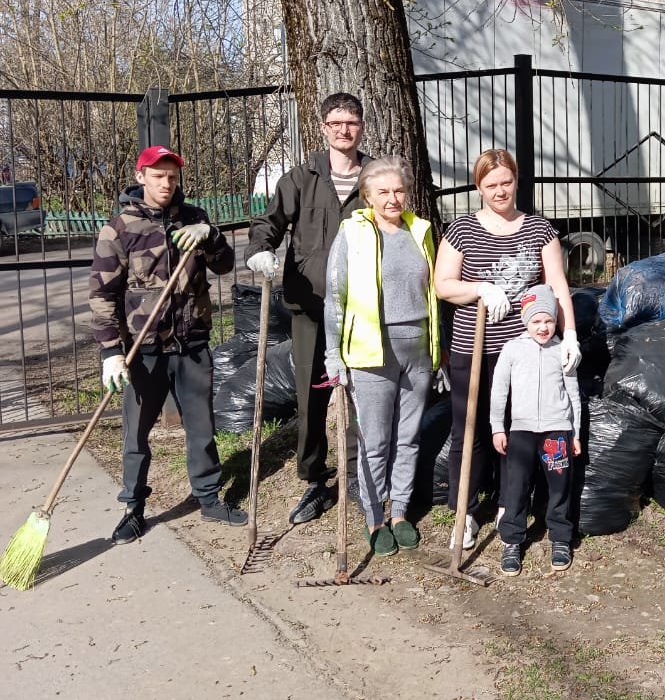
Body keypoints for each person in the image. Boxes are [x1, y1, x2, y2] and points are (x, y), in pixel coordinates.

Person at [90, 145, 246, 543]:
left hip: (192, 342)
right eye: (158, 175)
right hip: (144, 350)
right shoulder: (120, 228)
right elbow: (103, 294)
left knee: (202, 427)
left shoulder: (194, 218)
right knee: (137, 433)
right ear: (141, 176)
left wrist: (209, 234)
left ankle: (208, 498)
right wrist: (111, 351)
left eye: (172, 176)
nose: (166, 183)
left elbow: (225, 264)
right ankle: (133, 507)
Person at [433, 149, 579, 551]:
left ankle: (506, 504)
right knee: (470, 433)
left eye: (506, 182)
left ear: (517, 181)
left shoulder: (539, 230)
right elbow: (442, 284)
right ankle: (464, 512)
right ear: (479, 187)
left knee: (512, 432)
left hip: (525, 354)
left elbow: (558, 287)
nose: (500, 191)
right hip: (473, 349)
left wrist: (570, 336)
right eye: (490, 184)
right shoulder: (461, 229)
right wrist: (479, 287)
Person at [247, 92, 369, 524]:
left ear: (360, 125)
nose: (344, 129)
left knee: (361, 392)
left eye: (351, 121)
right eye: (335, 122)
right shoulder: (300, 177)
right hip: (311, 305)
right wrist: (260, 250)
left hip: (363, 306)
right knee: (311, 395)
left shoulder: (374, 177)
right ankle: (314, 478)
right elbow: (270, 222)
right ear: (322, 127)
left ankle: (358, 475)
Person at [323, 156, 441, 556]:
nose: (393, 198)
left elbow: (432, 293)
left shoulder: (420, 231)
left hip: (417, 349)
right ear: (367, 195)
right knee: (375, 440)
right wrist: (333, 355)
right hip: (371, 352)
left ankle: (401, 511)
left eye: (399, 190)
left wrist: (434, 349)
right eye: (384, 192)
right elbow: (334, 298)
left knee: (408, 437)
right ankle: (374, 515)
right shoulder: (352, 234)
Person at [489, 285, 582, 576]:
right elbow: (499, 392)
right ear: (525, 321)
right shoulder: (512, 350)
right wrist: (497, 428)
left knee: (559, 486)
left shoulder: (561, 351)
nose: (543, 327)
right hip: (521, 431)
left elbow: (573, 393)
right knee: (516, 487)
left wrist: (575, 432)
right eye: (536, 321)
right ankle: (512, 541)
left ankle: (561, 538)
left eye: (549, 321)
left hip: (557, 431)